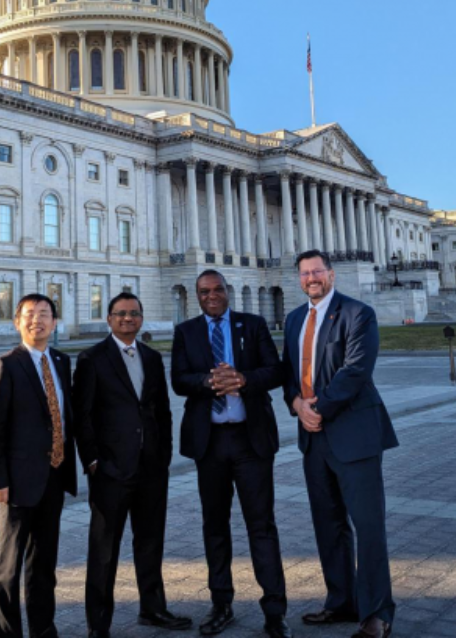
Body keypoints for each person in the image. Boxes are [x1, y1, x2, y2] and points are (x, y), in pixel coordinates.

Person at [282, 250, 397, 637]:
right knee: (328, 526)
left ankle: (377, 613)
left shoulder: (357, 313)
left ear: (331, 274)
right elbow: (289, 374)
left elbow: (356, 370)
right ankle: (341, 602)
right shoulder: (296, 318)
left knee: (368, 526)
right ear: (299, 278)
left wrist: (318, 409)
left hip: (353, 435)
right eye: (305, 273)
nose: (311, 278)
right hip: (313, 440)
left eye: (317, 271)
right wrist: (297, 404)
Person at [170, 270, 292, 638]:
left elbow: (275, 370)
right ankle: (221, 603)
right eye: (204, 291)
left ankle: (274, 611)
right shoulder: (186, 331)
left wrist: (242, 380)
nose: (211, 296)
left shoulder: (252, 325)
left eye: (217, 289)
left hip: (249, 440)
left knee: (262, 525)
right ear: (196, 295)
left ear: (227, 291)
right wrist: (209, 382)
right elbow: (178, 380)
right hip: (210, 442)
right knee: (215, 525)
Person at [73, 292, 192, 637]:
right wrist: (94, 462)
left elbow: (163, 411)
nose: (128, 319)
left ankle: (153, 609)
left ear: (142, 318)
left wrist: (164, 455)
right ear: (109, 319)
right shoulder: (92, 358)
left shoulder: (152, 358)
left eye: (134, 313)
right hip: (111, 470)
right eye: (121, 314)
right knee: (104, 550)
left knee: (151, 541)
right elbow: (83, 416)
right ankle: (99, 624)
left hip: (151, 468)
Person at [0, 293, 77, 638]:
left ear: (54, 322)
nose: (37, 320)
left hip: (54, 475)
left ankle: (43, 628)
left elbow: (66, 417)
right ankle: (9, 634)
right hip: (17, 482)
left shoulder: (63, 362)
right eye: (30, 314)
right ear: (17, 322)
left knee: (43, 563)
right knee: (9, 566)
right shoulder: (5, 365)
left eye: (45, 314)